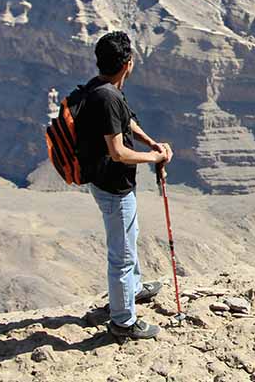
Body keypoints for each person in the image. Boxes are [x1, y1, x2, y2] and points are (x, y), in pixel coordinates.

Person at [76, 31, 174, 340]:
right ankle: (122, 321)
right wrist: (152, 157)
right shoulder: (107, 97)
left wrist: (152, 143)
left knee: (129, 239)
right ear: (128, 64)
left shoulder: (103, 88)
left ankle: (133, 289)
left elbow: (124, 121)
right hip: (112, 187)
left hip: (111, 183)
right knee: (121, 254)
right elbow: (117, 151)